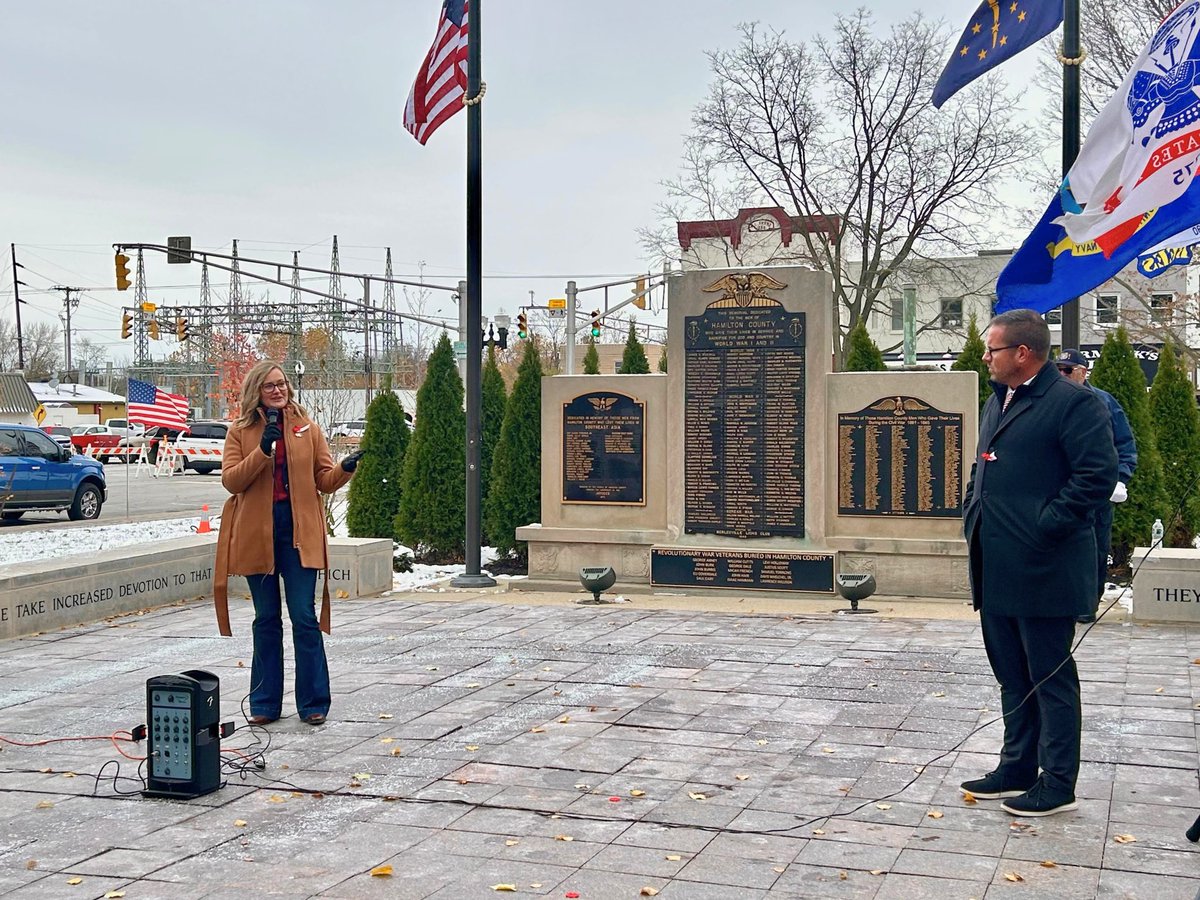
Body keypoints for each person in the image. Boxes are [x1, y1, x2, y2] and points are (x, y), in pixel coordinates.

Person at [961, 310, 1117, 817]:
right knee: (1012, 672)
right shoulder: (997, 400)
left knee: (1049, 677)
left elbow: (1096, 477)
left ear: (1023, 353)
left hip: (1044, 566)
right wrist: (973, 511)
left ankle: (1057, 782)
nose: (985, 357)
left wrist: (1045, 525)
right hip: (997, 563)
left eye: (993, 350)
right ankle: (1016, 767)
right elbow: (983, 468)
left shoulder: (1074, 404)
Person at [213, 361, 363, 726]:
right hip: (257, 536)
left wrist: (344, 468)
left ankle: (313, 702)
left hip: (298, 535)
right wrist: (262, 451)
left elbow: (324, 480)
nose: (278, 390)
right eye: (269, 386)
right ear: (256, 392)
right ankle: (264, 703)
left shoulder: (307, 428)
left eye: (281, 384)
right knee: (266, 619)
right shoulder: (240, 431)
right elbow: (232, 481)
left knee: (304, 617)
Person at [1055, 348, 1137, 623]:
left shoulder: (1102, 401)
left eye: (1067, 370)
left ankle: (1086, 605)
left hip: (1095, 492)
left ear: (1083, 372)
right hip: (1059, 490)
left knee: (1095, 550)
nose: (1061, 374)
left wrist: (1120, 478)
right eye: (1058, 369)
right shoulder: (1049, 401)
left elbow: (1124, 444)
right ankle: (1059, 602)